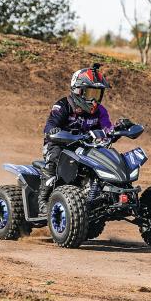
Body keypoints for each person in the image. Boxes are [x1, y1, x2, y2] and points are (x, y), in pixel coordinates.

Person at [38, 64, 113, 218]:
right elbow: (50, 126)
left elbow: (107, 128)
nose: (94, 100)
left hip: (87, 147)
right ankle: (43, 201)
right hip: (59, 145)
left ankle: (102, 195)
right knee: (54, 159)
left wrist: (116, 130)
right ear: (78, 91)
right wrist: (54, 131)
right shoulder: (63, 106)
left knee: (106, 158)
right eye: (90, 93)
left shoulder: (100, 111)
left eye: (97, 94)